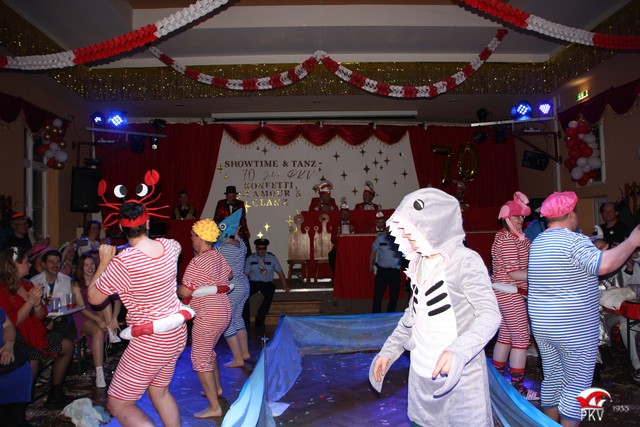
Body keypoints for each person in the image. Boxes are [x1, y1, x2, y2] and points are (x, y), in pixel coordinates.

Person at [370, 188, 500, 426]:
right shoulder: (418, 263)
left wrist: (459, 350)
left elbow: (490, 315)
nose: (406, 236)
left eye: (411, 229)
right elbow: (412, 317)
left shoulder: (465, 261)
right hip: (421, 381)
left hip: (461, 383)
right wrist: (388, 351)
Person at [528, 191, 640, 426]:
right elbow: (604, 266)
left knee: (553, 380)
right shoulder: (574, 240)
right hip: (573, 328)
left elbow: (567, 274)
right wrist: (632, 242)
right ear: (570, 214)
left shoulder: (539, 243)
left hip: (543, 326)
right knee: (576, 385)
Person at [88, 201, 187, 427]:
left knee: (118, 404)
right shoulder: (170, 246)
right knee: (160, 392)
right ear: (148, 223)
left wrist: (104, 263)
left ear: (121, 228)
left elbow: (93, 298)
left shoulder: (123, 263)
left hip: (150, 341)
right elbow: (175, 247)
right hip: (175, 333)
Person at [0, 247, 74, 407]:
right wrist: (30, 301)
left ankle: (55, 394)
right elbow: (13, 322)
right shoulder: (2, 289)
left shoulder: (27, 284)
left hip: (34, 331)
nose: (30, 264)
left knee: (67, 346)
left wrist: (37, 304)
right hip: (15, 336)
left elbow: (41, 315)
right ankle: (22, 401)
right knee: (33, 356)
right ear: (14, 265)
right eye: (26, 262)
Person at [177, 218, 231, 419]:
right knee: (208, 352)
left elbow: (185, 291)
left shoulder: (198, 262)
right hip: (223, 309)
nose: (191, 239)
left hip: (208, 313)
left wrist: (175, 289)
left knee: (200, 358)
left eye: (192, 235)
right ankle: (216, 389)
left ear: (200, 237)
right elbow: (230, 274)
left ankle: (214, 406)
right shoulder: (217, 256)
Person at [490, 192, 539, 400]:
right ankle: (518, 389)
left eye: (522, 216)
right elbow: (513, 273)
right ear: (507, 218)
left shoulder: (515, 237)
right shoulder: (508, 240)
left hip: (506, 292)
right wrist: (542, 272)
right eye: (517, 216)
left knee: (506, 337)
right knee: (521, 338)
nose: (521, 219)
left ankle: (497, 384)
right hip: (509, 292)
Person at [71, 254, 121, 388]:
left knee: (104, 298)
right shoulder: (76, 283)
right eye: (86, 265)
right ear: (81, 267)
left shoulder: (101, 279)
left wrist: (114, 318)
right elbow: (81, 307)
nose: (90, 267)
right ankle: (99, 373)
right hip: (83, 314)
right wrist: (98, 319)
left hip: (98, 311)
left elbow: (117, 301)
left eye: (92, 264)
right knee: (98, 331)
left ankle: (111, 329)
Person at [216, 220, 251, 368]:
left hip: (232, 287)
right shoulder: (241, 244)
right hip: (243, 285)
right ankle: (245, 353)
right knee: (237, 318)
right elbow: (236, 238)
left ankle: (238, 359)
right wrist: (236, 234)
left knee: (228, 322)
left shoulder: (220, 248)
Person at [243, 239, 289, 330]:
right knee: (244, 295)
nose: (262, 251)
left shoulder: (272, 258)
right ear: (256, 248)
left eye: (264, 248)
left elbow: (280, 272)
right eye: (260, 248)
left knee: (269, 294)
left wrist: (285, 285)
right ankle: (246, 321)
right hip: (253, 282)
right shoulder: (250, 258)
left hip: (266, 283)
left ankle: (259, 321)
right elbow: (245, 274)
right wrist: (242, 286)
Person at [30, 250, 76, 341]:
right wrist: (47, 319)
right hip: (41, 319)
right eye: (51, 262)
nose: (55, 265)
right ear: (44, 264)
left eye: (58, 262)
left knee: (67, 328)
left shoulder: (67, 280)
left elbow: (71, 304)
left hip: (61, 318)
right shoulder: (34, 281)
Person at [0, 307, 32, 426]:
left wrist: (8, 345)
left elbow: (8, 326)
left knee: (21, 366)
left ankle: (16, 417)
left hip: (4, 350)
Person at [369, 212, 403, 313]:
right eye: (388, 226)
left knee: (394, 296)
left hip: (395, 272)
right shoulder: (380, 238)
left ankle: (390, 315)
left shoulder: (400, 239)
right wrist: (370, 264)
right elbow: (373, 251)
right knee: (378, 295)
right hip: (382, 271)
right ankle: (375, 315)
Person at [214, 186, 251, 251]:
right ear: (226, 196)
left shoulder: (240, 204)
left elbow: (243, 219)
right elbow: (216, 218)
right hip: (224, 231)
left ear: (235, 196)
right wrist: (216, 231)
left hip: (237, 231)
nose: (231, 198)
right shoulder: (221, 203)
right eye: (229, 196)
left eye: (233, 196)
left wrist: (246, 231)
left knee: (242, 248)